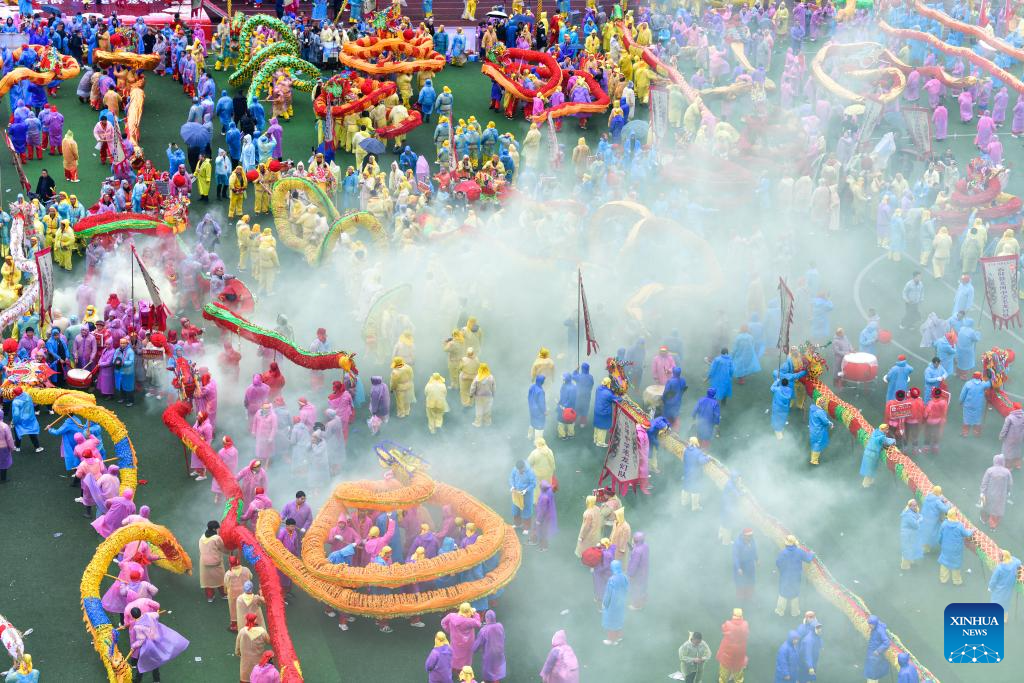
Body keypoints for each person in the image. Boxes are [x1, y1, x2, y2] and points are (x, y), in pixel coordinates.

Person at [128, 608, 189, 682]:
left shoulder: (137, 626)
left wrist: (133, 646)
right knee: (155, 661)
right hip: (157, 641)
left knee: (141, 662)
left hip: (148, 646)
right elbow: (156, 615)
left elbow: (141, 640)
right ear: (140, 612)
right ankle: (156, 680)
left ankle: (138, 680)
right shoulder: (148, 615)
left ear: (133, 616)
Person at [775, 535, 814, 617]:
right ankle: (795, 613)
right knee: (794, 595)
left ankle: (780, 611)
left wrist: (782, 571)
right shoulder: (799, 552)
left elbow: (778, 563)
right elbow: (808, 559)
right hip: (796, 578)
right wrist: (811, 553)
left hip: (785, 577)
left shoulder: (782, 553)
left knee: (783, 594)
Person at [441, 603, 482, 675]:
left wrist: (449, 630)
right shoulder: (470, 621)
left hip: (455, 641)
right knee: (466, 657)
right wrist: (475, 613)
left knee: (455, 654)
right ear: (468, 611)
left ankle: (453, 668)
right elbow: (478, 623)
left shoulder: (451, 616)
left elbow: (443, 623)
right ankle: (462, 671)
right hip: (467, 643)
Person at [938, 510, 975, 585]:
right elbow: (966, 533)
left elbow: (940, 535)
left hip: (946, 547)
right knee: (955, 564)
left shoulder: (944, 524)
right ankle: (957, 581)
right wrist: (972, 530)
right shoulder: (959, 526)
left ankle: (943, 579)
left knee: (944, 562)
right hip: (956, 549)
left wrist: (941, 542)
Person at [979, 454, 1013, 529]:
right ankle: (993, 525)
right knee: (997, 510)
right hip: (1001, 495)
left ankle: (984, 519)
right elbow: (1010, 483)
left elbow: (984, 482)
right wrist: (1008, 491)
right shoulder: (1007, 472)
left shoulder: (989, 470)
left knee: (985, 507)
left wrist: (982, 492)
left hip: (989, 494)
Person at [716, 608, 749, 683]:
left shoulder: (728, 624)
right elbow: (747, 634)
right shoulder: (745, 624)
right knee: (738, 672)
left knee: (724, 673)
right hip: (739, 653)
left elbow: (723, 628)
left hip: (727, 653)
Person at [235, 613, 270, 683]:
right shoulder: (262, 631)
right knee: (257, 678)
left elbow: (237, 646)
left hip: (245, 661)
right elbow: (268, 641)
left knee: (245, 677)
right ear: (255, 620)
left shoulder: (242, 631)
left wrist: (238, 653)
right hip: (258, 660)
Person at [472, 610, 506, 683]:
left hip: (489, 655)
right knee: (497, 674)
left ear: (486, 618)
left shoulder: (484, 630)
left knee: (488, 674)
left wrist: (472, 650)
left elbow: (477, 644)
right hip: (499, 653)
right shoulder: (500, 626)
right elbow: (503, 637)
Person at [199, 520, 228, 602]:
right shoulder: (216, 538)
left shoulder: (202, 537)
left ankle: (210, 597)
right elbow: (223, 548)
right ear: (215, 529)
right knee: (220, 580)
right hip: (216, 563)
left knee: (207, 581)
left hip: (204, 563)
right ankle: (224, 594)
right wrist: (230, 551)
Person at [601, 559, 629, 645]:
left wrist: (605, 604)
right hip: (621, 603)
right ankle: (619, 637)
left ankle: (611, 640)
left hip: (612, 605)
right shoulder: (624, 577)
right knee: (619, 620)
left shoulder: (612, 579)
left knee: (611, 622)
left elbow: (608, 593)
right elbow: (627, 589)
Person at [988, 550, 1023, 618]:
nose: (999, 557)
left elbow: (993, 580)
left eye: (1000, 556)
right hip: (1008, 589)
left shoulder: (999, 568)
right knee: (1005, 603)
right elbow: (1019, 561)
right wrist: (1010, 557)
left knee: (995, 602)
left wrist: (990, 587)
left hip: (998, 590)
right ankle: (1004, 618)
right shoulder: (1014, 564)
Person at [958, 371, 992, 437]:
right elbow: (990, 383)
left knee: (966, 419)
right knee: (977, 419)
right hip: (978, 406)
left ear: (973, 376)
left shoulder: (968, 384)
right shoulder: (983, 384)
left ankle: (965, 433)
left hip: (968, 405)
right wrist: (992, 375)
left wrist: (961, 401)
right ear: (980, 377)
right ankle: (976, 432)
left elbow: (963, 394)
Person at [681, 437, 710, 511]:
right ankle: (695, 507)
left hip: (687, 472)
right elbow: (701, 461)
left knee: (686, 487)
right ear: (696, 443)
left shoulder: (686, 450)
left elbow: (684, 460)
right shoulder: (698, 452)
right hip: (695, 474)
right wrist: (707, 458)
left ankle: (684, 502)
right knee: (695, 489)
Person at [508, 460, 536, 534]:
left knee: (527, 510)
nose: (520, 471)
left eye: (521, 470)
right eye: (518, 470)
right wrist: (512, 486)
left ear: (524, 467)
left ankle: (527, 528)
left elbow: (533, 484)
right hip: (517, 493)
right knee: (515, 508)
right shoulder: (515, 469)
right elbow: (511, 478)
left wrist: (526, 490)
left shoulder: (530, 472)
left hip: (527, 495)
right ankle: (517, 524)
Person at [11, 388, 41, 452]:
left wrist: (14, 422)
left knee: (17, 432)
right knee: (32, 431)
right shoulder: (27, 395)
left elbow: (16, 414)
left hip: (20, 420)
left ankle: (17, 447)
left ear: (15, 393)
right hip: (30, 418)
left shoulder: (15, 402)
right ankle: (37, 447)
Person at [732, 528, 758, 601]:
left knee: (750, 582)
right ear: (744, 535)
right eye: (748, 536)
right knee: (740, 582)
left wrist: (757, 559)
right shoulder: (737, 543)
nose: (750, 537)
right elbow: (735, 556)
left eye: (751, 536)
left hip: (750, 566)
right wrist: (738, 568)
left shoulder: (752, 541)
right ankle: (740, 599)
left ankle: (749, 597)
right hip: (741, 566)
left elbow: (754, 550)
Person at [864, 615, 891, 682]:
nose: (869, 626)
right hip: (872, 652)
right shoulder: (876, 627)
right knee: (872, 669)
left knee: (873, 670)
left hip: (875, 654)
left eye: (871, 625)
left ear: (874, 624)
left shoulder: (880, 631)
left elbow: (887, 642)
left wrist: (878, 651)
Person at [807, 396, 833, 465]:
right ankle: (814, 461)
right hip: (819, 430)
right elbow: (825, 421)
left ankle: (813, 458)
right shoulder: (820, 412)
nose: (824, 404)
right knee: (818, 444)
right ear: (820, 403)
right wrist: (830, 423)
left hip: (813, 429)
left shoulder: (812, 409)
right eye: (823, 403)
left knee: (814, 443)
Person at [900, 499, 923, 570]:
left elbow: (919, 516)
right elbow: (916, 525)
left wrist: (919, 518)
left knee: (911, 548)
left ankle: (909, 562)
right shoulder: (908, 515)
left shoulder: (912, 511)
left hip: (911, 534)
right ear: (909, 506)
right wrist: (920, 519)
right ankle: (905, 567)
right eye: (914, 506)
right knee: (907, 550)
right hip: (907, 535)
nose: (915, 507)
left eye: (916, 505)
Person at [999, 402, 1024, 469]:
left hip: (1010, 438)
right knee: (1017, 450)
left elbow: (1005, 428)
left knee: (1007, 452)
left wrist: (1001, 436)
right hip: (1019, 438)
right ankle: (1017, 465)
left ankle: (1008, 467)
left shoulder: (1010, 418)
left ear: (1014, 408)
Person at [527, 374, 546, 440]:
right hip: (539, 412)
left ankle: (529, 436)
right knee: (539, 427)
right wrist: (544, 411)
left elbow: (529, 397)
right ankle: (538, 442)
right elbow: (541, 403)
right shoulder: (540, 391)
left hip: (532, 409)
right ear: (542, 382)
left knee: (532, 423)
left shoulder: (532, 387)